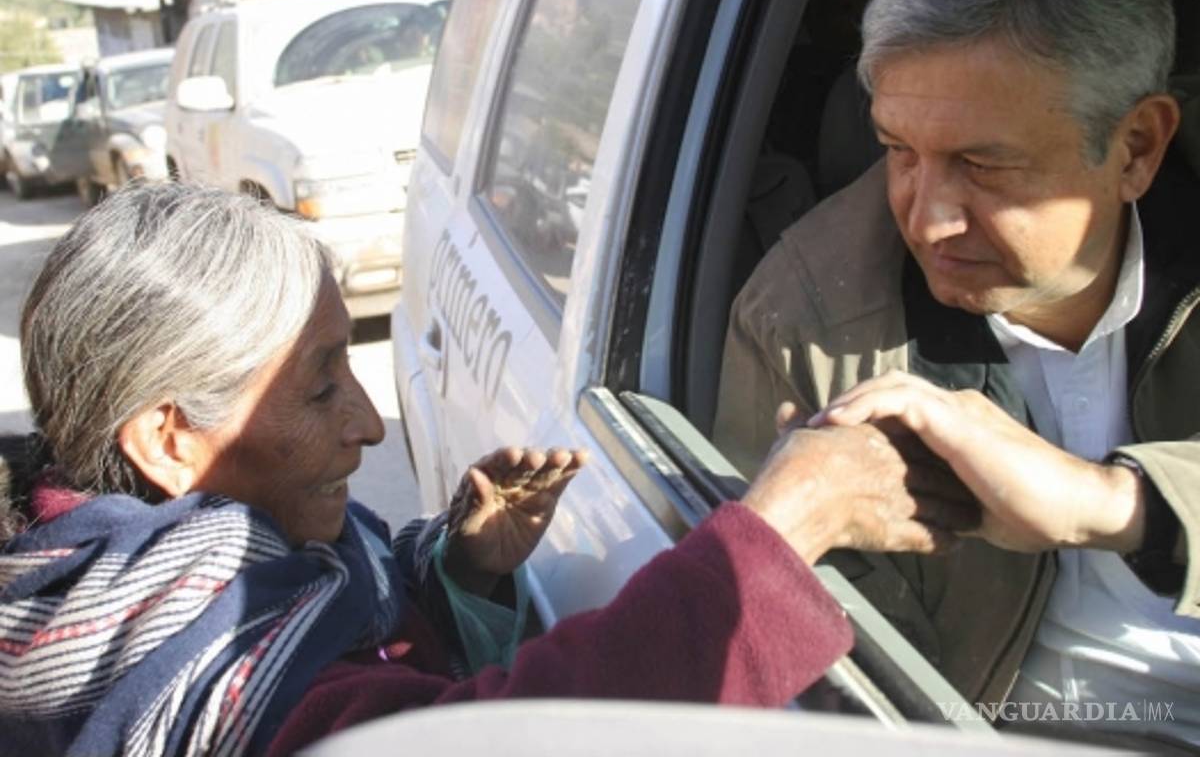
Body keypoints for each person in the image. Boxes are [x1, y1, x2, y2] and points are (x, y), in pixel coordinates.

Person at [0, 183, 964, 757]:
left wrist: (452, 571)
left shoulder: (106, 576)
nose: (371, 427)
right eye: (322, 387)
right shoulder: (214, 681)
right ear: (169, 442)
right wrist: (779, 534)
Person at [714, 0, 1200, 747]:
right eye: (898, 150)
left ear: (1137, 147)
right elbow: (822, 654)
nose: (929, 220)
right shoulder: (808, 323)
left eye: (983, 164)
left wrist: (1115, 504)